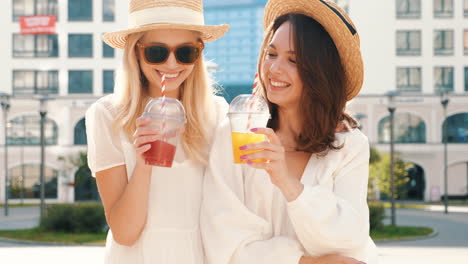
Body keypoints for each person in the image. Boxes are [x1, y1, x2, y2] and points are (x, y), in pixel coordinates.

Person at [200, 0, 378, 264]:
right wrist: (307, 262)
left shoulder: (349, 146)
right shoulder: (238, 135)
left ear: (320, 72)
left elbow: (349, 238)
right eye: (271, 54)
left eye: (293, 59)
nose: (274, 68)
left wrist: (287, 182)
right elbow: (222, 242)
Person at [85, 0, 229, 263]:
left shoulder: (218, 113)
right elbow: (125, 233)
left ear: (199, 53)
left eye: (186, 52)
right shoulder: (106, 115)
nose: (172, 64)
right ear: (135, 52)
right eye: (156, 52)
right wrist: (144, 162)